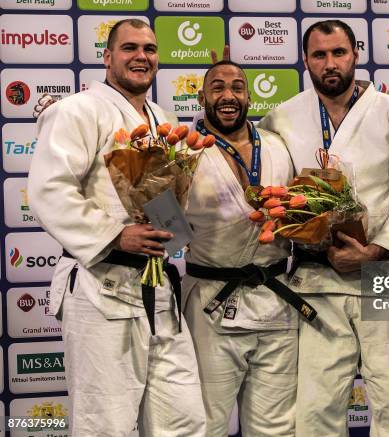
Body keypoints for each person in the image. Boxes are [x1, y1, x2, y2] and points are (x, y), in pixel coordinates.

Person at [27, 19, 206, 436]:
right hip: (101, 285)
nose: (141, 56)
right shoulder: (78, 109)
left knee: (182, 419)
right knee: (104, 423)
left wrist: (170, 229)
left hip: (157, 288)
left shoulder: (162, 117)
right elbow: (49, 190)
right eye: (129, 48)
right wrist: (114, 234)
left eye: (149, 49)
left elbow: (163, 195)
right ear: (107, 57)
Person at [259, 19, 389, 437]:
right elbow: (271, 189)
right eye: (319, 55)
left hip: (380, 277)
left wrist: (375, 251)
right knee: (317, 407)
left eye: (338, 53)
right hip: (316, 278)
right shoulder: (282, 117)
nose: (330, 63)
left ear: (355, 53)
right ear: (305, 61)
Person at [184, 60, 310, 436]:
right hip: (212, 302)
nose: (228, 95)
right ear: (202, 96)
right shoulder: (182, 153)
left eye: (237, 87)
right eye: (217, 87)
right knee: (207, 422)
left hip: (275, 303)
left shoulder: (278, 147)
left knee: (277, 427)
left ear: (249, 96)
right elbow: (163, 227)